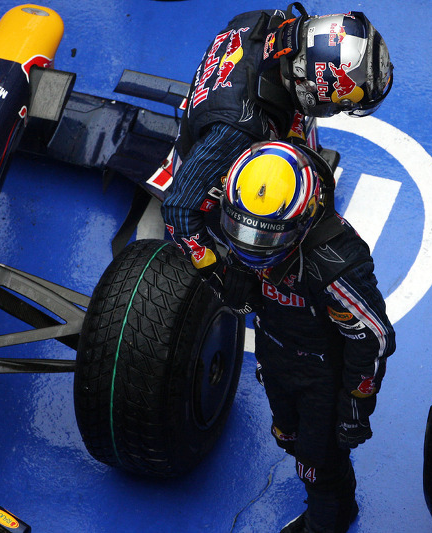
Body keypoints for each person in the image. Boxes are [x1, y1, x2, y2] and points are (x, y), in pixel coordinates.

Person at [160, 5, 394, 531]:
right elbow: (178, 210)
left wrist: (356, 406)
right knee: (287, 435)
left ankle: (329, 519)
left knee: (316, 459)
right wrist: (223, 269)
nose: (252, 251)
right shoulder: (241, 137)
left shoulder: (263, 22)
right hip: (276, 345)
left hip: (317, 370)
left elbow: (372, 339)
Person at [161, 2, 393, 269]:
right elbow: (178, 210)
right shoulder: (242, 130)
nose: (337, 108)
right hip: (212, 150)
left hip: (215, 102)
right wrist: (216, 274)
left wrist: (294, 135)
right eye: (340, 103)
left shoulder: (271, 22)